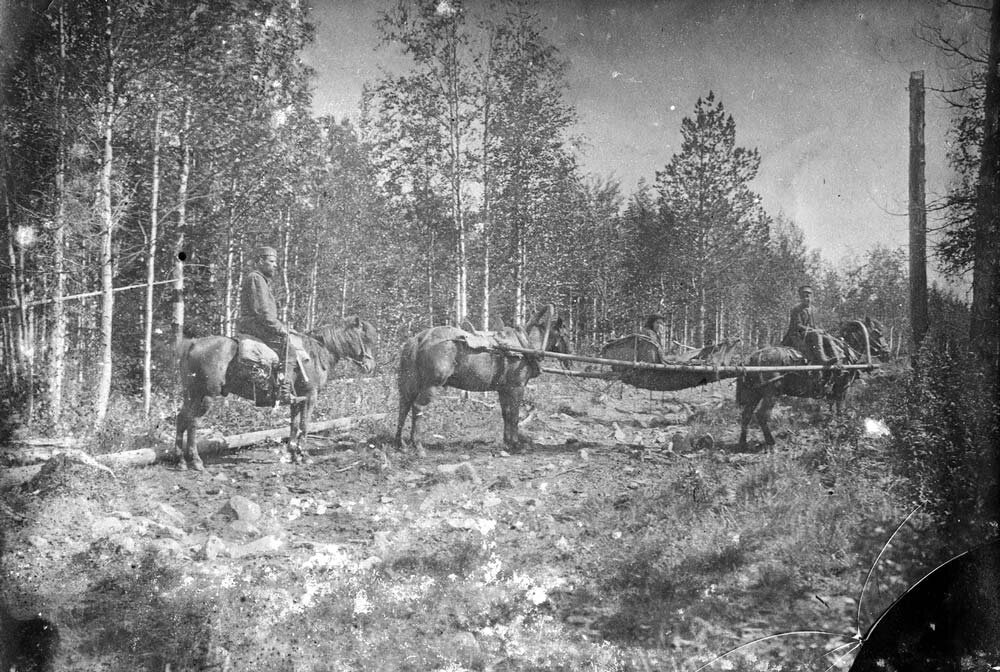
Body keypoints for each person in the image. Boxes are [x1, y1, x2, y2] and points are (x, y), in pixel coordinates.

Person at [237, 245, 295, 403]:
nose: (275, 265)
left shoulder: (260, 279)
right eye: (271, 261)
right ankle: (284, 391)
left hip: (258, 324)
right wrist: (279, 328)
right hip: (255, 326)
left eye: (275, 262)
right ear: (260, 261)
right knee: (289, 347)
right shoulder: (256, 278)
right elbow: (263, 312)